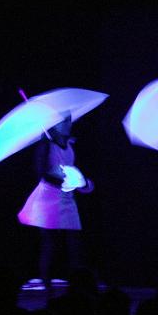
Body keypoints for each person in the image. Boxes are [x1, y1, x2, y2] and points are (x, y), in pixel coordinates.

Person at [17, 116, 94, 290]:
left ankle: (78, 286)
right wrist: (56, 175)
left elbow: (74, 171)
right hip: (48, 197)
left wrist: (77, 181)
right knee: (49, 243)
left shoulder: (70, 144)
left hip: (67, 196)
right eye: (64, 121)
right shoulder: (46, 146)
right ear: (54, 125)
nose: (68, 124)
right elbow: (40, 173)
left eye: (69, 121)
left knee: (74, 241)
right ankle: (47, 288)